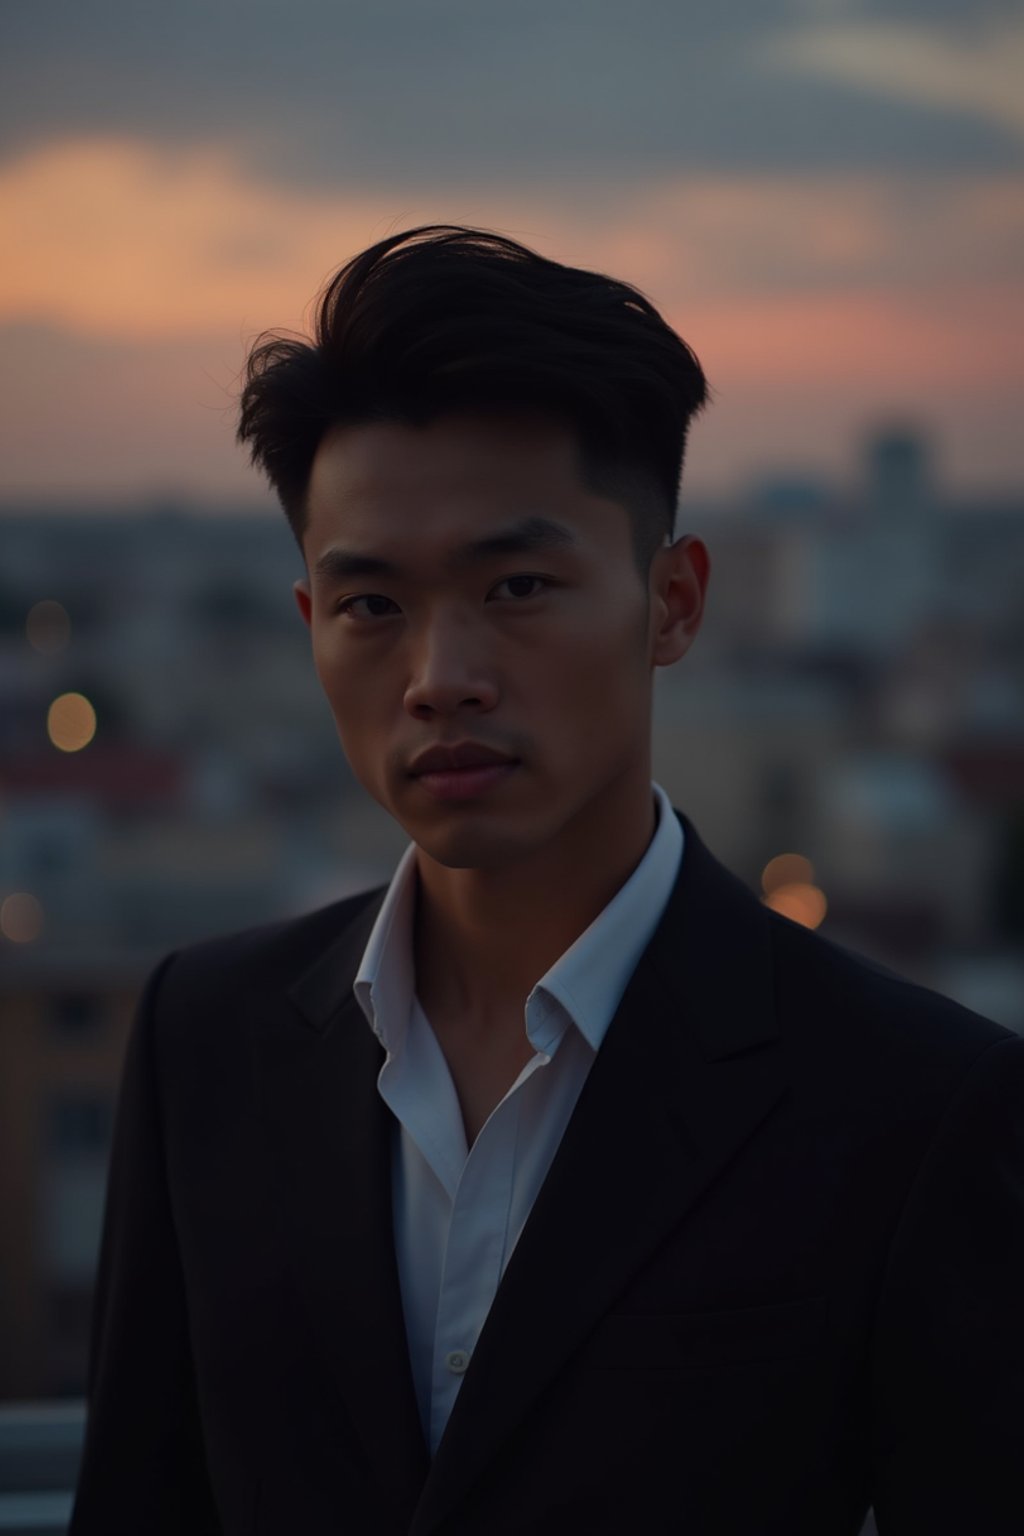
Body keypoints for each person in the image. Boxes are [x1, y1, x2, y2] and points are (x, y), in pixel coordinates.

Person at [70, 226, 1023, 1536]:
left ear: (672, 602)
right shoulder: (205, 1038)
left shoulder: (916, 1103)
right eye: (371, 606)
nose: (438, 673)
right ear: (308, 629)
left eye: (517, 584)